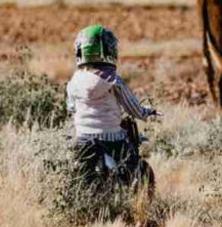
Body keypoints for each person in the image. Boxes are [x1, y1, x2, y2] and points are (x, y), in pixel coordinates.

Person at [66, 24, 158, 188]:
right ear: (106, 51)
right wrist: (146, 113)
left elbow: (71, 107)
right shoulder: (113, 80)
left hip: (83, 138)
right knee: (134, 167)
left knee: (74, 174)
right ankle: (134, 196)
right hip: (111, 138)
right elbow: (133, 108)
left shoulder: (74, 81)